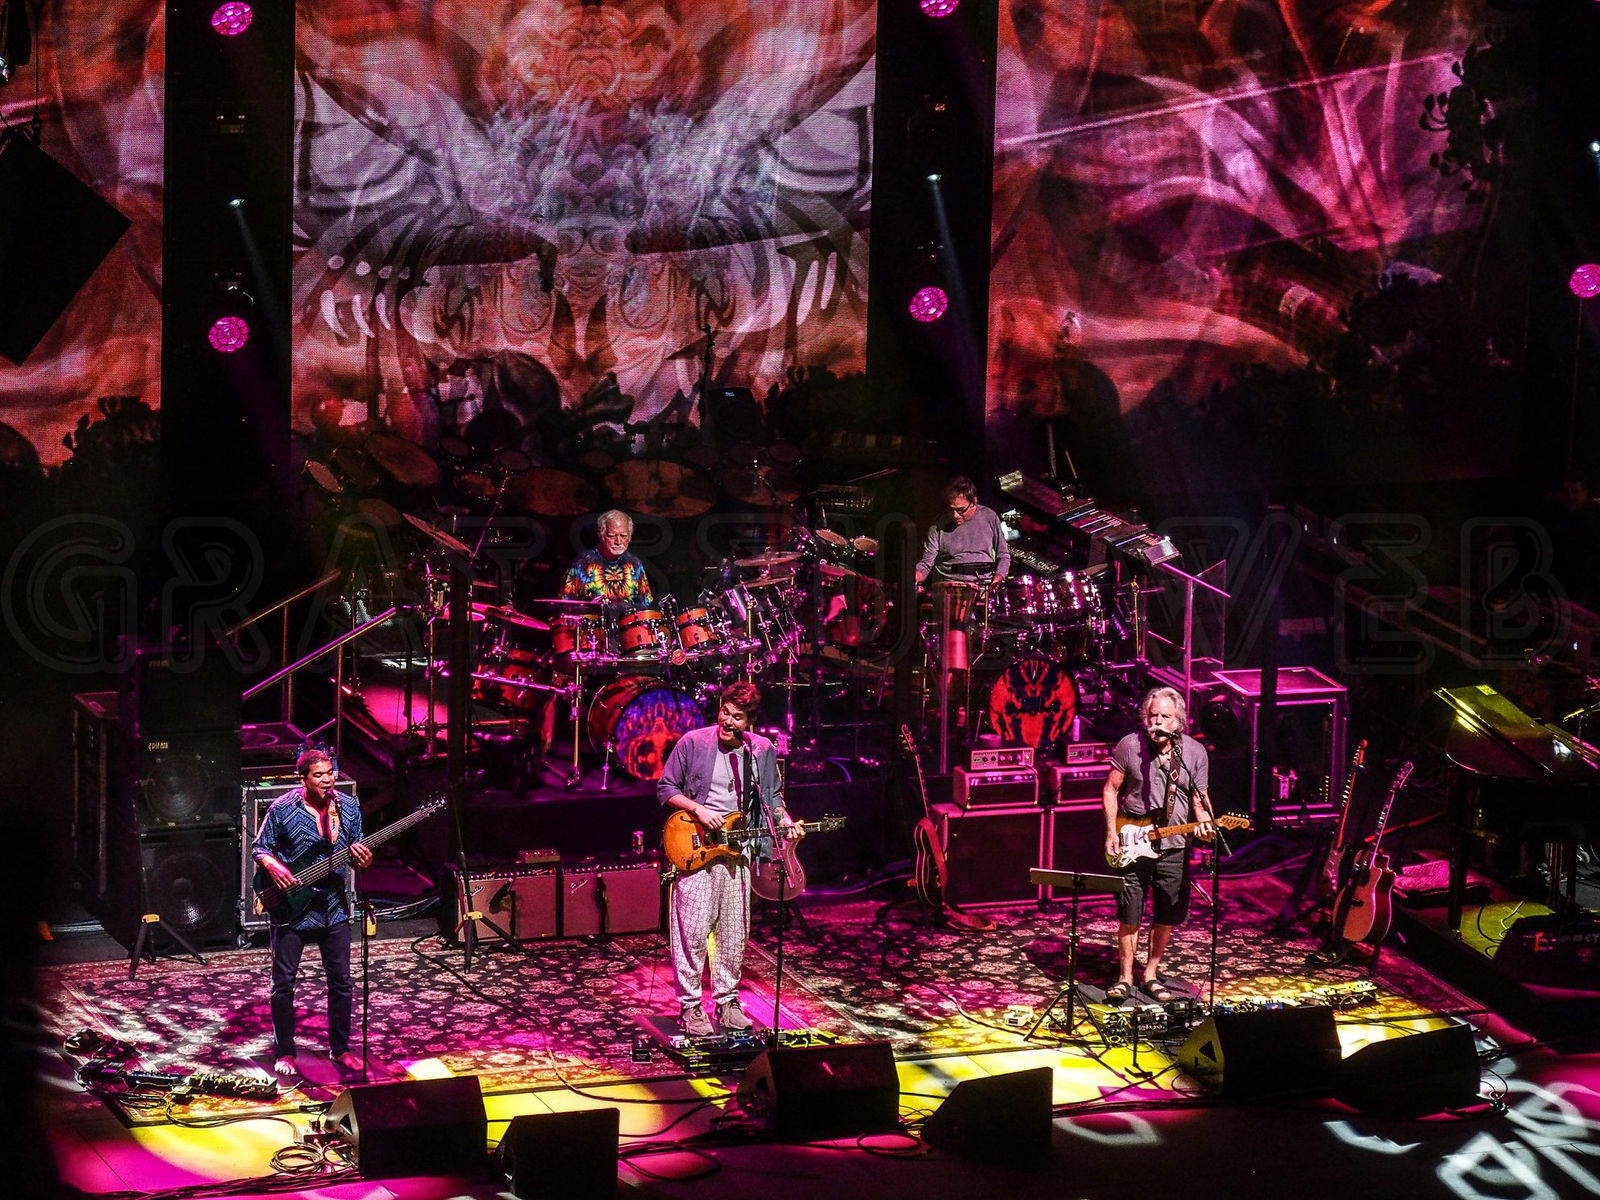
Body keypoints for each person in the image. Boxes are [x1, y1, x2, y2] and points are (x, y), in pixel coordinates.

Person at [658, 681, 802, 1036]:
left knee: (733, 933)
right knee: (692, 931)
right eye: (724, 711)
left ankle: (727, 1002)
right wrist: (698, 809)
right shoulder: (693, 742)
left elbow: (773, 799)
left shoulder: (761, 750)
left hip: (738, 851)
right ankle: (690, 1006)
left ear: (749, 722)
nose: (727, 721)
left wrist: (785, 822)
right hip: (696, 847)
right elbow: (666, 788)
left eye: (737, 717)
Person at [251, 749, 371, 1077]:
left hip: (333, 906)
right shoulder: (282, 808)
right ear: (302, 779)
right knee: (283, 983)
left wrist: (364, 859)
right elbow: (259, 847)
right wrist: (274, 866)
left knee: (341, 981)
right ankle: (285, 1052)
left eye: (330, 773)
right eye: (319, 775)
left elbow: (358, 850)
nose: (327, 780)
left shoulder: (348, 807)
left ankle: (340, 1048)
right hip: (293, 907)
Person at [1101, 686, 1214, 1004]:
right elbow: (1110, 789)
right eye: (1153, 715)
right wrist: (1111, 833)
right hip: (1132, 840)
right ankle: (1125, 977)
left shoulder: (1194, 753)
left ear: (1179, 721)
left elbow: (1199, 799)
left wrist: (1205, 823)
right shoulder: (1130, 745)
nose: (1158, 721)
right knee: (1130, 912)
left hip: (1174, 845)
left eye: (1165, 716)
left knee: (1167, 912)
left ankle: (1150, 974)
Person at [913, 475, 1011, 589]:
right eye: (951, 509)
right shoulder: (938, 525)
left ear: (974, 502)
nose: (955, 515)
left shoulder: (989, 516)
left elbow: (1003, 554)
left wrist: (999, 577)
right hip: (948, 589)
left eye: (961, 510)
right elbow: (926, 564)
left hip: (983, 586)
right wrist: (914, 576)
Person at [560, 508, 655, 612]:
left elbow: (646, 602)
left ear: (629, 537)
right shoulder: (582, 562)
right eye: (612, 536)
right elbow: (565, 601)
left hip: (628, 621)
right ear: (601, 535)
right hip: (594, 620)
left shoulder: (634, 563)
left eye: (623, 536)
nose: (618, 541)